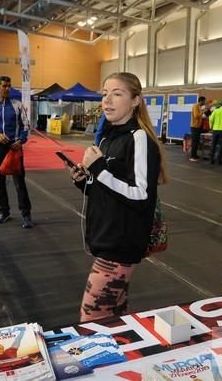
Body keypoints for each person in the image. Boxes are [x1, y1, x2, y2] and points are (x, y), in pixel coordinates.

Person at [67, 72, 167, 322]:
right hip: (107, 240)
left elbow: (141, 195)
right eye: (104, 93)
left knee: (91, 321)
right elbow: (108, 189)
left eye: (117, 93)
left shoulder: (138, 139)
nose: (107, 100)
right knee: (114, 319)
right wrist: (84, 181)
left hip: (120, 246)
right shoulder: (109, 138)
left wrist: (99, 168)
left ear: (135, 101)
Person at [0, 76, 34, 228]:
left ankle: (26, 214)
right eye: (4, 86)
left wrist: (21, 141)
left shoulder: (18, 105)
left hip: (15, 147)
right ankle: (4, 212)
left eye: (9, 86)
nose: (7, 89)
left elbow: (26, 125)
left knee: (20, 182)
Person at [189, 96, 206, 161]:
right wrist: (202, 111)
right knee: (194, 142)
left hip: (197, 127)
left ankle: (195, 155)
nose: (204, 102)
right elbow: (196, 116)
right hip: (194, 127)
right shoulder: (196, 106)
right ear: (201, 101)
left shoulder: (199, 107)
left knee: (196, 142)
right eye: (204, 101)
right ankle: (192, 157)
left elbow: (199, 116)